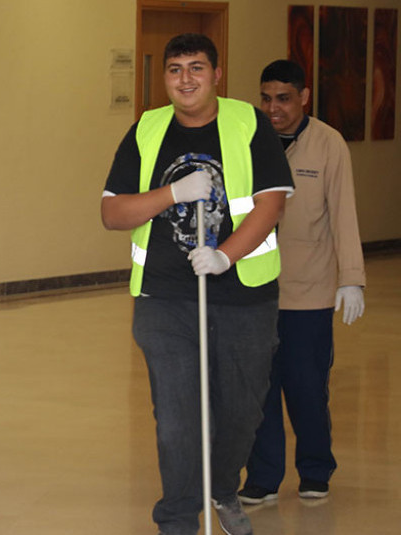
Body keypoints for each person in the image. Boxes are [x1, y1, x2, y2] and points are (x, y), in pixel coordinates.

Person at [100, 34, 294, 535]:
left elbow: (272, 203)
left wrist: (226, 255)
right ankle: (178, 517)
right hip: (165, 297)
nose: (185, 79)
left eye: (196, 68)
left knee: (241, 411)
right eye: (175, 69)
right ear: (164, 77)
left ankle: (223, 488)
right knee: (177, 417)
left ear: (217, 74)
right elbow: (113, 213)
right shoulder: (147, 129)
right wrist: (173, 192)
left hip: (243, 296)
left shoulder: (249, 123)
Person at [238, 59, 366, 505]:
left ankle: (315, 470)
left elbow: (344, 213)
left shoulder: (328, 144)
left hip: (309, 291)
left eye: (284, 98)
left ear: (304, 97)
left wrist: (351, 278)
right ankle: (263, 477)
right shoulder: (249, 140)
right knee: (259, 390)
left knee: (307, 388)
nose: (273, 108)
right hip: (254, 291)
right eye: (266, 98)